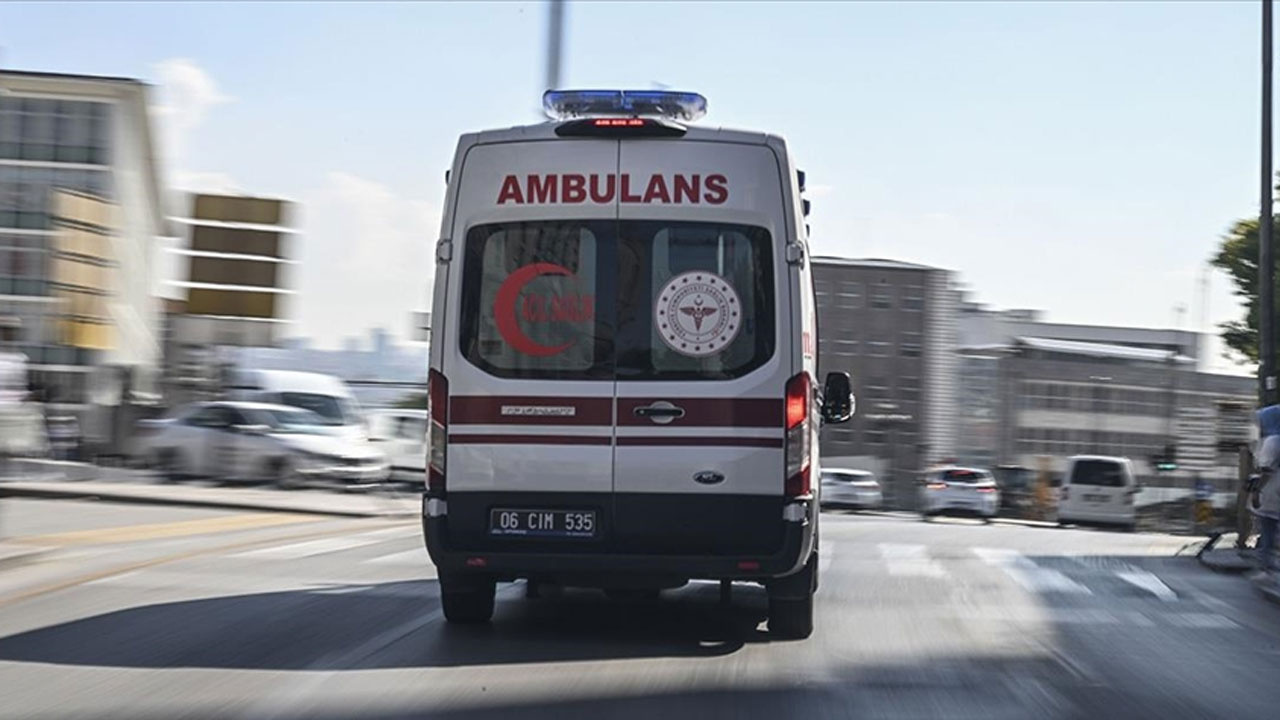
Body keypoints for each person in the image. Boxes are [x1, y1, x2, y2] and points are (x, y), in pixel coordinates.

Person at [1251, 405, 1280, 578]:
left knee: (1268, 528)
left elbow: (1266, 470)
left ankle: (1266, 568)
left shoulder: (1273, 441)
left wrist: (1256, 490)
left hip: (1272, 491)